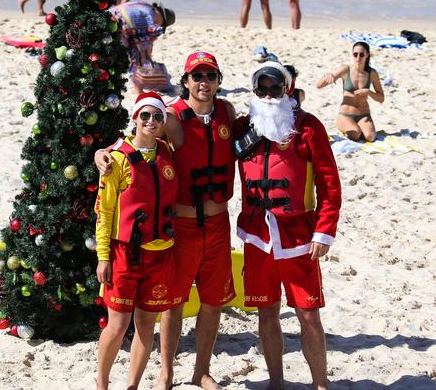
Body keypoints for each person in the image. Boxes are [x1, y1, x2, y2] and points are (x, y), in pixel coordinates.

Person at [96, 51, 237, 389]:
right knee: (172, 303)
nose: (204, 83)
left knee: (213, 302)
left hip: (218, 223)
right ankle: (166, 374)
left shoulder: (227, 112)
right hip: (184, 226)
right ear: (185, 81)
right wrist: (101, 153)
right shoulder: (171, 116)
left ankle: (201, 371)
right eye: (197, 76)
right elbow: (137, 139)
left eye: (210, 76)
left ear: (218, 81)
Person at [234, 61, 341, 390]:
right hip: (257, 237)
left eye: (274, 88)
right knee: (266, 312)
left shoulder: (308, 127)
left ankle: (320, 383)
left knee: (308, 314)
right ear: (254, 91)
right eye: (261, 88)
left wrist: (325, 230)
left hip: (298, 236)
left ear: (287, 90)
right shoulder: (242, 129)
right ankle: (276, 382)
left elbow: (329, 183)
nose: (267, 95)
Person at [94, 92, 179, 390]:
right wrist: (103, 257)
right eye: (145, 116)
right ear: (135, 118)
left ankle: (132, 385)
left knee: (146, 326)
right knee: (117, 326)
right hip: (124, 254)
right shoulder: (116, 160)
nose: (151, 122)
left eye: (157, 116)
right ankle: (101, 385)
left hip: (161, 253)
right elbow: (104, 212)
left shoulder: (167, 152)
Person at [316, 41, 384, 142]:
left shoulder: (372, 73)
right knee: (355, 135)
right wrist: (328, 75)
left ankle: (357, 127)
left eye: (361, 54)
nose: (358, 57)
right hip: (346, 114)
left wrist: (369, 92)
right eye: (355, 54)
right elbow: (319, 85)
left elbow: (381, 98)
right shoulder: (345, 69)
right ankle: (342, 124)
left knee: (370, 137)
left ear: (367, 55)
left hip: (364, 114)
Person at [109, 1, 176, 93]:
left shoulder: (143, 5)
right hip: (116, 28)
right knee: (140, 56)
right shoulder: (149, 20)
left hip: (109, 16)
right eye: (162, 24)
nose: (159, 25)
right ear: (163, 20)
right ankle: (138, 89)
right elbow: (142, 47)